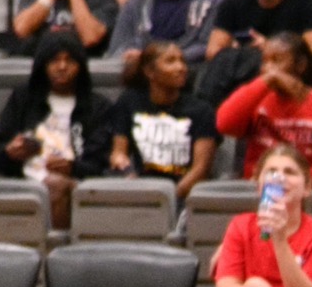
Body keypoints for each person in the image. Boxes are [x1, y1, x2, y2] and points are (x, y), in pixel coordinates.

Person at [216, 142, 312, 287]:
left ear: (307, 188)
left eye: (289, 172)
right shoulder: (241, 226)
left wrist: (280, 240)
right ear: (259, 185)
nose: (279, 178)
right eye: (271, 171)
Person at [0, 31, 98, 228]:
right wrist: (10, 153)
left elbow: (101, 166)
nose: (62, 66)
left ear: (80, 66)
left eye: (70, 60)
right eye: (55, 60)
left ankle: (52, 244)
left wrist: (72, 167)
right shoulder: (22, 98)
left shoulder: (97, 106)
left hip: (72, 182)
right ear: (43, 65)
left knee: (54, 185)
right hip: (23, 177)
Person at [93, 39, 218, 200]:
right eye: (170, 61)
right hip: (140, 189)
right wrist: (128, 175)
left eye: (182, 61)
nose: (181, 67)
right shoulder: (129, 102)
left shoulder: (201, 110)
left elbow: (200, 169)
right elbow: (118, 153)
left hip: (183, 195)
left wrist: (169, 198)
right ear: (149, 71)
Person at [221, 33, 312, 183]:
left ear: (301, 65)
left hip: (306, 188)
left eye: (276, 61)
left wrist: (289, 182)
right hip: (256, 186)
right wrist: (266, 80)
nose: (268, 68)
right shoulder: (256, 98)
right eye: (264, 62)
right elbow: (224, 124)